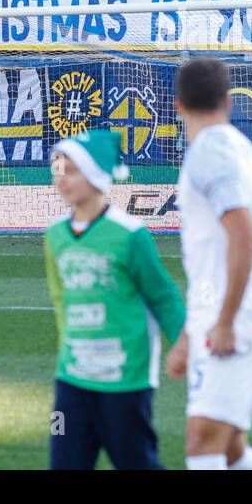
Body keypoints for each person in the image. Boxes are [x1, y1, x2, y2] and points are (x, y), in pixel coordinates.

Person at [44, 130, 185, 470]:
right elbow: (61, 300)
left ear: (95, 173)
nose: (61, 178)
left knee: (137, 463)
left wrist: (183, 343)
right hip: (73, 378)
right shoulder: (54, 237)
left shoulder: (130, 234)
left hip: (125, 378)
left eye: (71, 169)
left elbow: (164, 296)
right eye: (57, 169)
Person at [165, 57, 252, 470]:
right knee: (230, 450)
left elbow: (244, 235)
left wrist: (226, 320)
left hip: (237, 319)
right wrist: (188, 334)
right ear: (230, 101)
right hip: (221, 316)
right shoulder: (235, 147)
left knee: (202, 443)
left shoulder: (210, 152)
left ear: (177, 105)